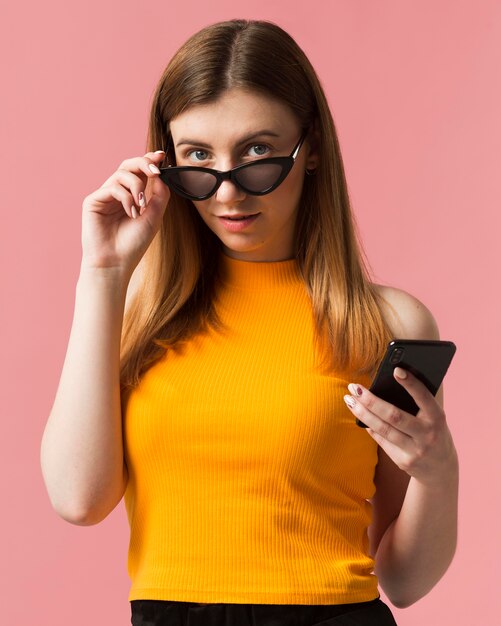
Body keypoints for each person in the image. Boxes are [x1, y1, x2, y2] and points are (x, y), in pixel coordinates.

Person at [40, 18, 459, 626]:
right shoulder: (135, 311)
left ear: (310, 147)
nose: (229, 192)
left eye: (258, 153)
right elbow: (78, 499)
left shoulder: (386, 321)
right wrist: (103, 271)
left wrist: (439, 470)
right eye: (199, 158)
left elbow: (405, 579)